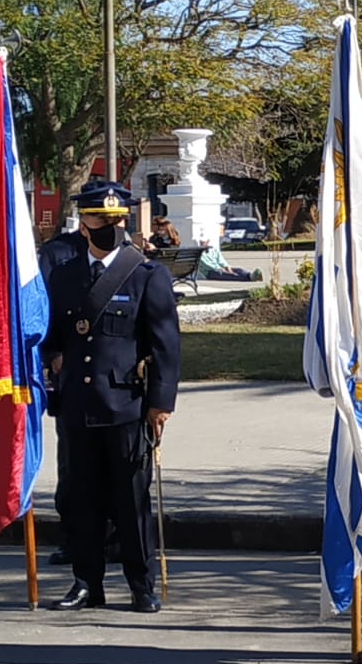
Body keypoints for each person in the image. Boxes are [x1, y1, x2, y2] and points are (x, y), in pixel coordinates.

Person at [41, 181, 180, 614]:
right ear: (83, 224)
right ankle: (86, 583)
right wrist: (52, 356)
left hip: (125, 404)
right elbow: (51, 334)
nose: (110, 227)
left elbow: (165, 345)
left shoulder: (146, 275)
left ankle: (141, 584)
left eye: (117, 220)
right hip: (78, 405)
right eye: (100, 219)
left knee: (130, 501)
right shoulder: (65, 275)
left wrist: (160, 403)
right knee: (82, 499)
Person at [38, 213, 95, 568]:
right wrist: (53, 353)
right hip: (72, 376)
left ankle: (117, 536)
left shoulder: (128, 256)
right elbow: (43, 308)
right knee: (73, 464)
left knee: (119, 467)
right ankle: (74, 538)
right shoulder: (56, 253)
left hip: (117, 383)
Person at [196, 233, 262, 282]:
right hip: (210, 272)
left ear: (208, 241)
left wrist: (227, 267)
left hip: (219, 268)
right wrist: (221, 269)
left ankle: (250, 274)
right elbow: (207, 266)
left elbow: (221, 260)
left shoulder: (214, 250)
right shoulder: (199, 253)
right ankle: (250, 278)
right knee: (228, 275)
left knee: (238, 270)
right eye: (201, 242)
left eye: (203, 242)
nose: (202, 243)